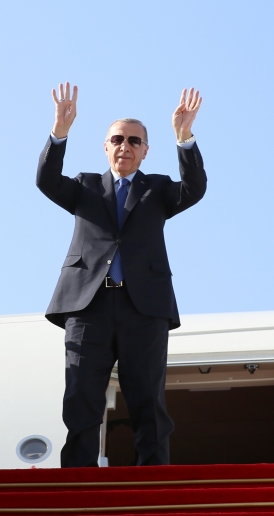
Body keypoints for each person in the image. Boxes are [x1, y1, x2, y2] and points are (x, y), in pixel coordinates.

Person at [36, 82, 207, 467]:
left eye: (134, 141)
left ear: (145, 150)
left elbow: (194, 189)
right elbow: (46, 181)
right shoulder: (84, 186)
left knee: (148, 398)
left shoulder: (158, 189)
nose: (124, 146)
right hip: (88, 306)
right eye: (117, 139)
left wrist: (184, 137)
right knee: (81, 396)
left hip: (143, 308)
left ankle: (153, 481)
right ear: (105, 146)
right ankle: (77, 483)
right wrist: (59, 131)